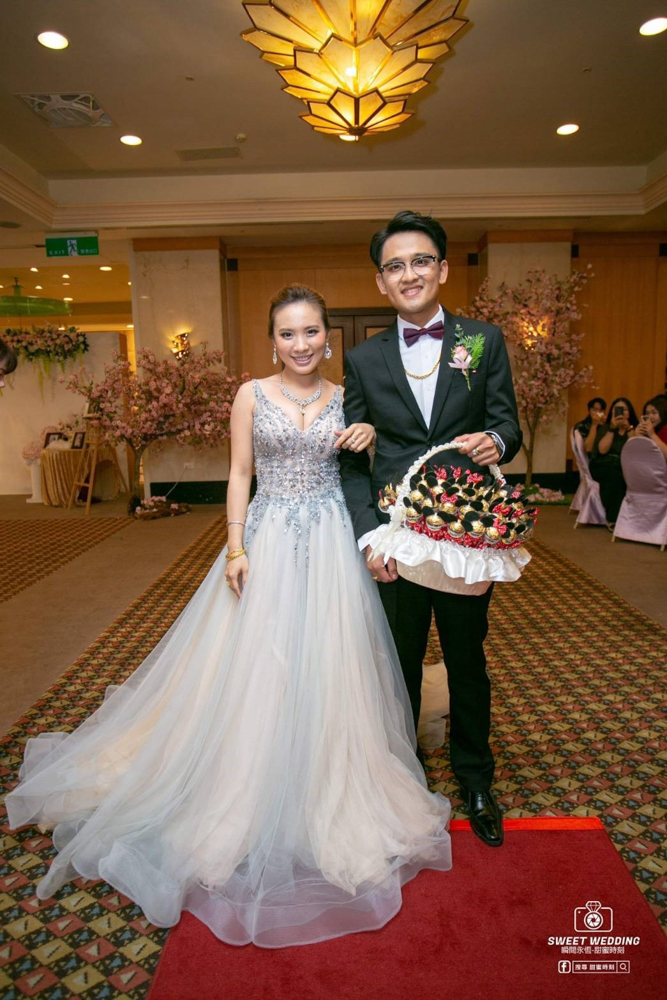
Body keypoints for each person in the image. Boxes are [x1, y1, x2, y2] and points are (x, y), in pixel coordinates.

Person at [6, 283, 452, 949]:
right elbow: (240, 473)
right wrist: (235, 547)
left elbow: (377, 468)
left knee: (329, 661)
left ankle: (326, 784)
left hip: (332, 538)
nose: (300, 344)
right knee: (257, 663)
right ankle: (244, 784)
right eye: (287, 334)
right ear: (272, 341)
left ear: (327, 338)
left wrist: (371, 436)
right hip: (267, 536)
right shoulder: (251, 394)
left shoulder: (346, 397)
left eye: (310, 332)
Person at [339, 210, 522, 849]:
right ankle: (404, 778)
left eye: (421, 261)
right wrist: (369, 537)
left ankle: (476, 779)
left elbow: (508, 424)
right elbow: (351, 460)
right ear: (381, 281)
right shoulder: (363, 358)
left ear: (442, 269)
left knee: (468, 659)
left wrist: (497, 441)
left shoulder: (483, 340)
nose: (409, 274)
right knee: (401, 664)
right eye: (395, 265)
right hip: (396, 534)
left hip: (466, 528)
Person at [588, 396, 638, 527]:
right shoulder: (605, 428)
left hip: (623, 465)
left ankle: (619, 517)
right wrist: (611, 428)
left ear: (629, 413)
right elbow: (602, 450)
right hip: (602, 464)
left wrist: (628, 429)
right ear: (612, 412)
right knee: (614, 476)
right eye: (617, 410)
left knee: (619, 475)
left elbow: (635, 449)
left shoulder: (634, 429)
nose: (621, 413)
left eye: (624, 410)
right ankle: (613, 518)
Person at [634, 394, 667, 460]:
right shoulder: (649, 430)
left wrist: (652, 435)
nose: (650, 417)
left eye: (654, 413)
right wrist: (638, 437)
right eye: (647, 413)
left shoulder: (665, 429)